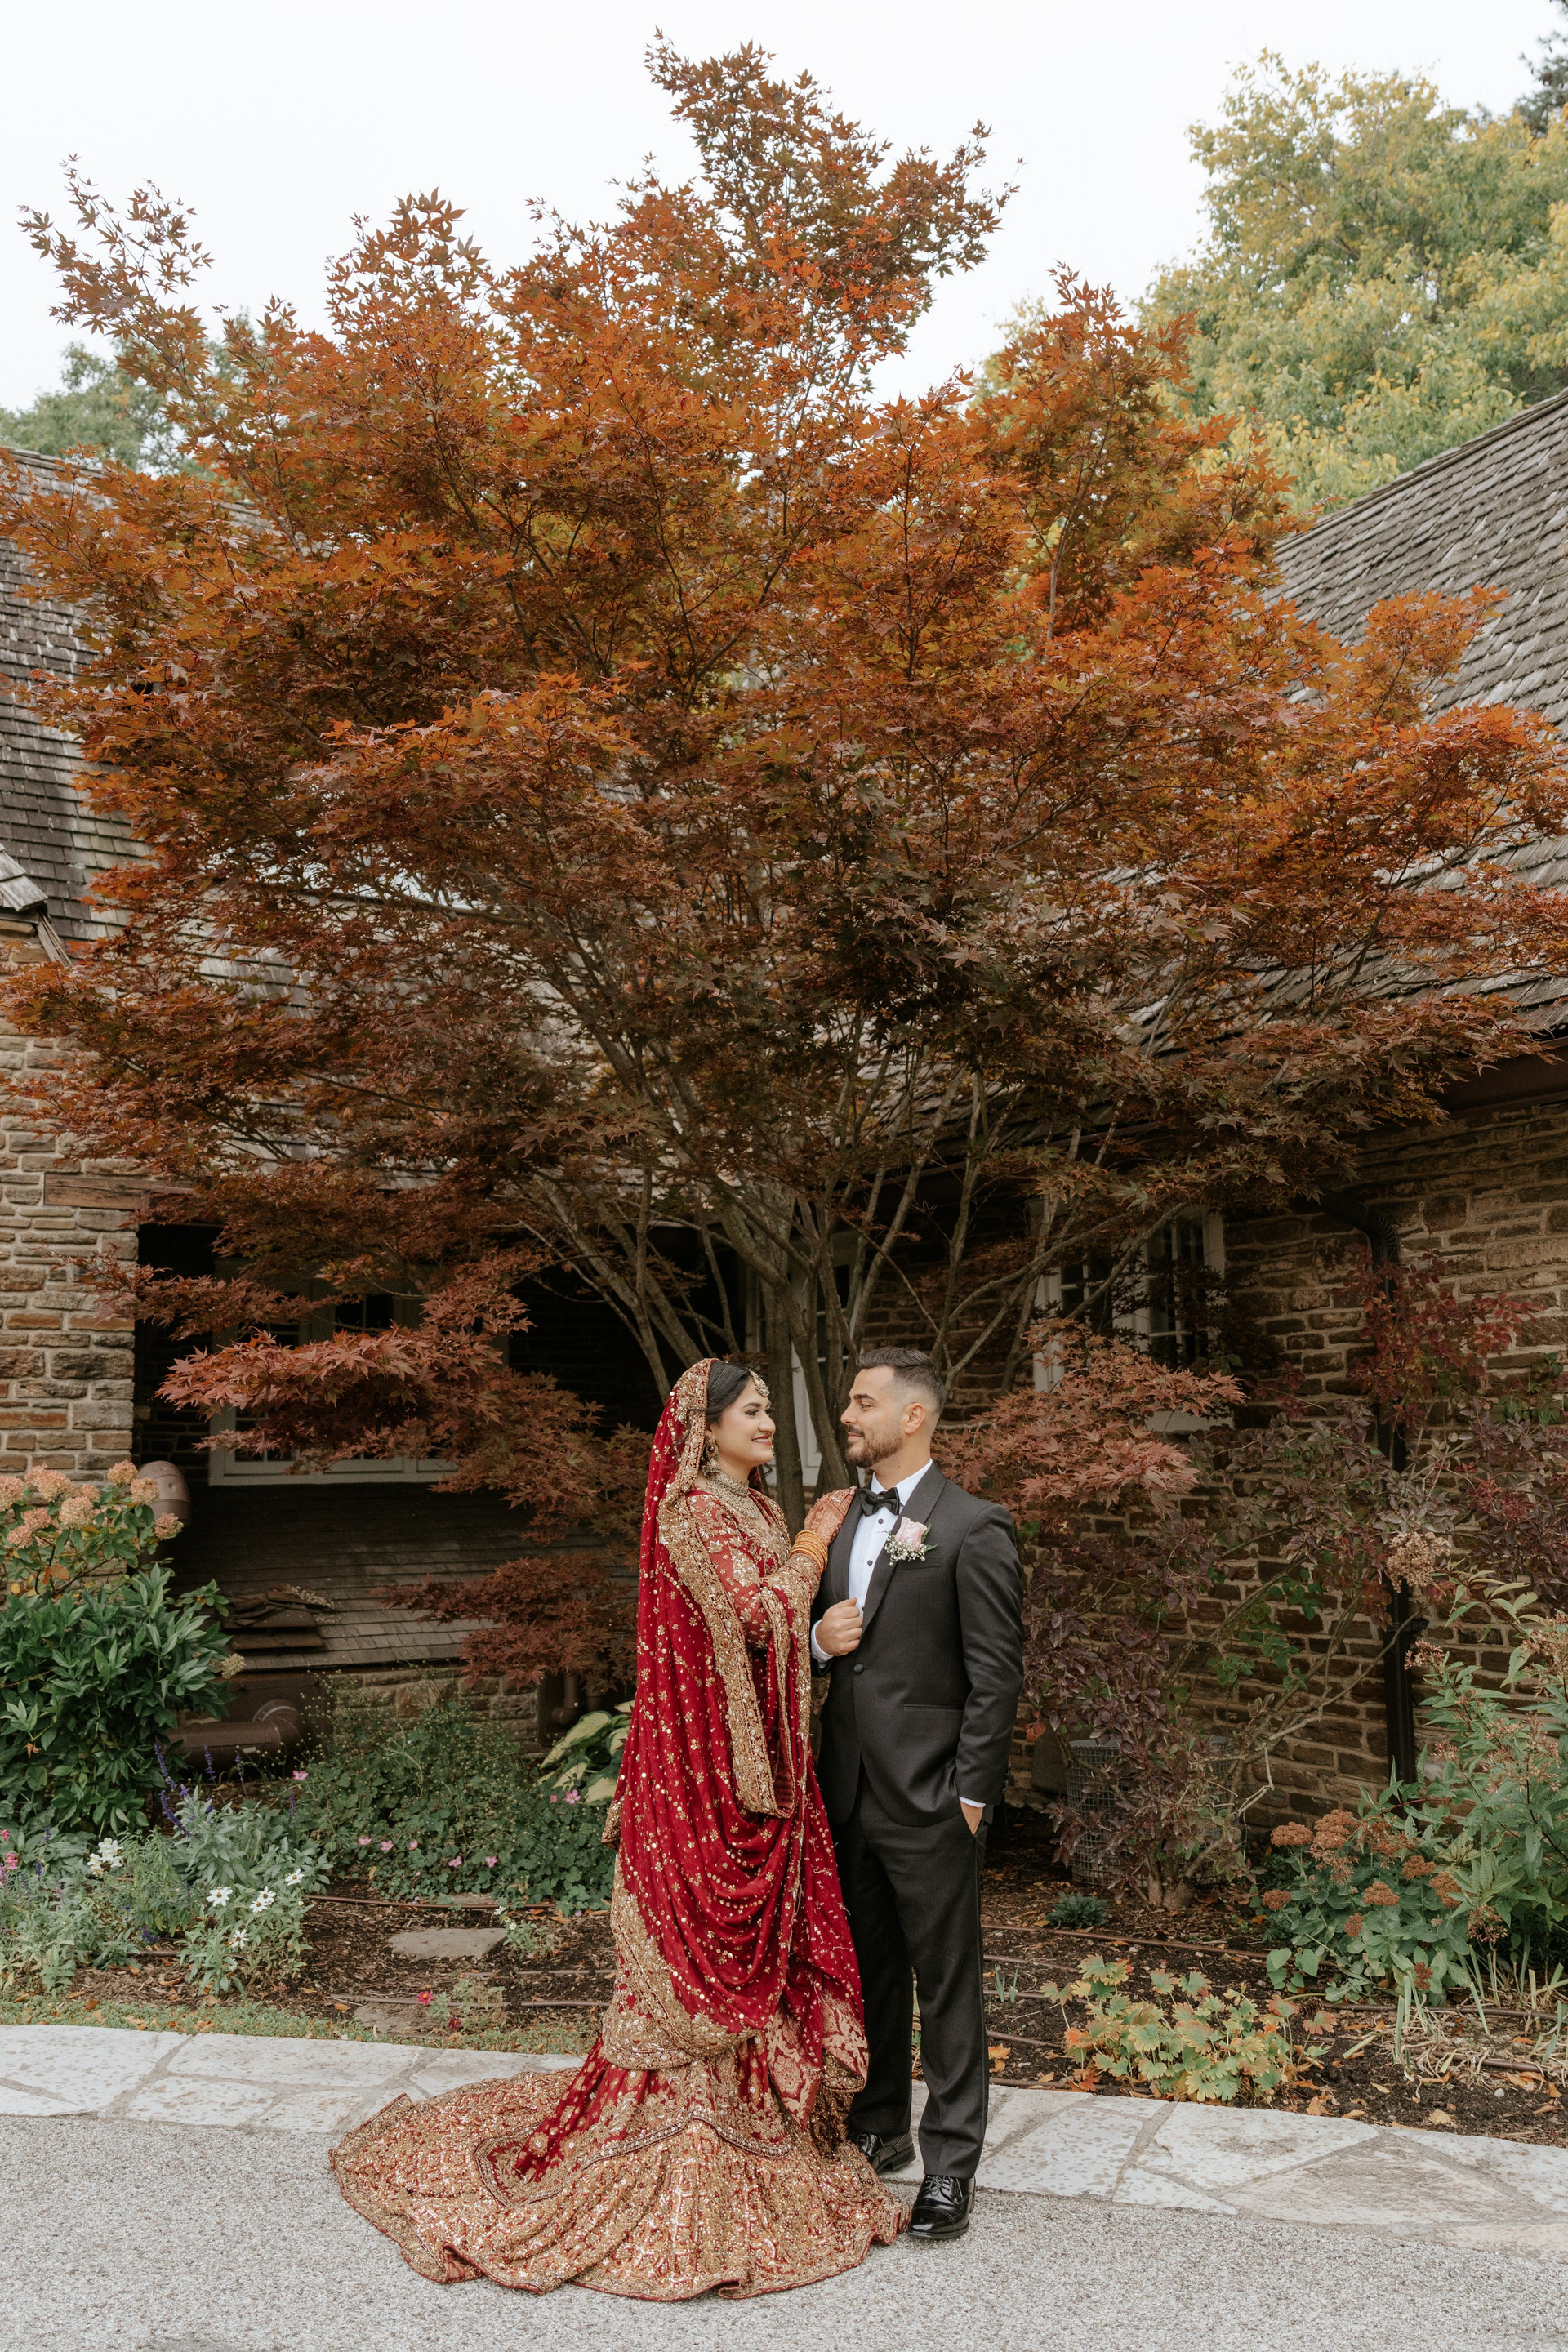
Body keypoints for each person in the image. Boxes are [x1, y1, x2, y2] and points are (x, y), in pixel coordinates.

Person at [331, 1357, 906, 2300]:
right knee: (690, 1965)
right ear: (706, 1428)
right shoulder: (693, 1513)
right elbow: (755, 1616)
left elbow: (776, 1635)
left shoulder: (757, 1510)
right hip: (697, 1784)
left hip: (756, 1780)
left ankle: (753, 2149)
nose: (768, 1423)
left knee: (748, 1970)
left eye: (769, 1408)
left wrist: (802, 1568)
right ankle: (668, 2161)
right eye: (752, 1411)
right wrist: (815, 1542)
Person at [811, 1345, 1023, 2243]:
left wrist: (970, 1796)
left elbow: (996, 1675)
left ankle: (950, 2166)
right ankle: (880, 2125)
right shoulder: (834, 1520)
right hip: (848, 1791)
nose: (847, 1415)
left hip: (934, 1797)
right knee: (869, 1972)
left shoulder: (974, 1526)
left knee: (947, 1982)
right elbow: (819, 1641)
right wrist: (818, 1643)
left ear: (913, 1416)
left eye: (863, 1402)